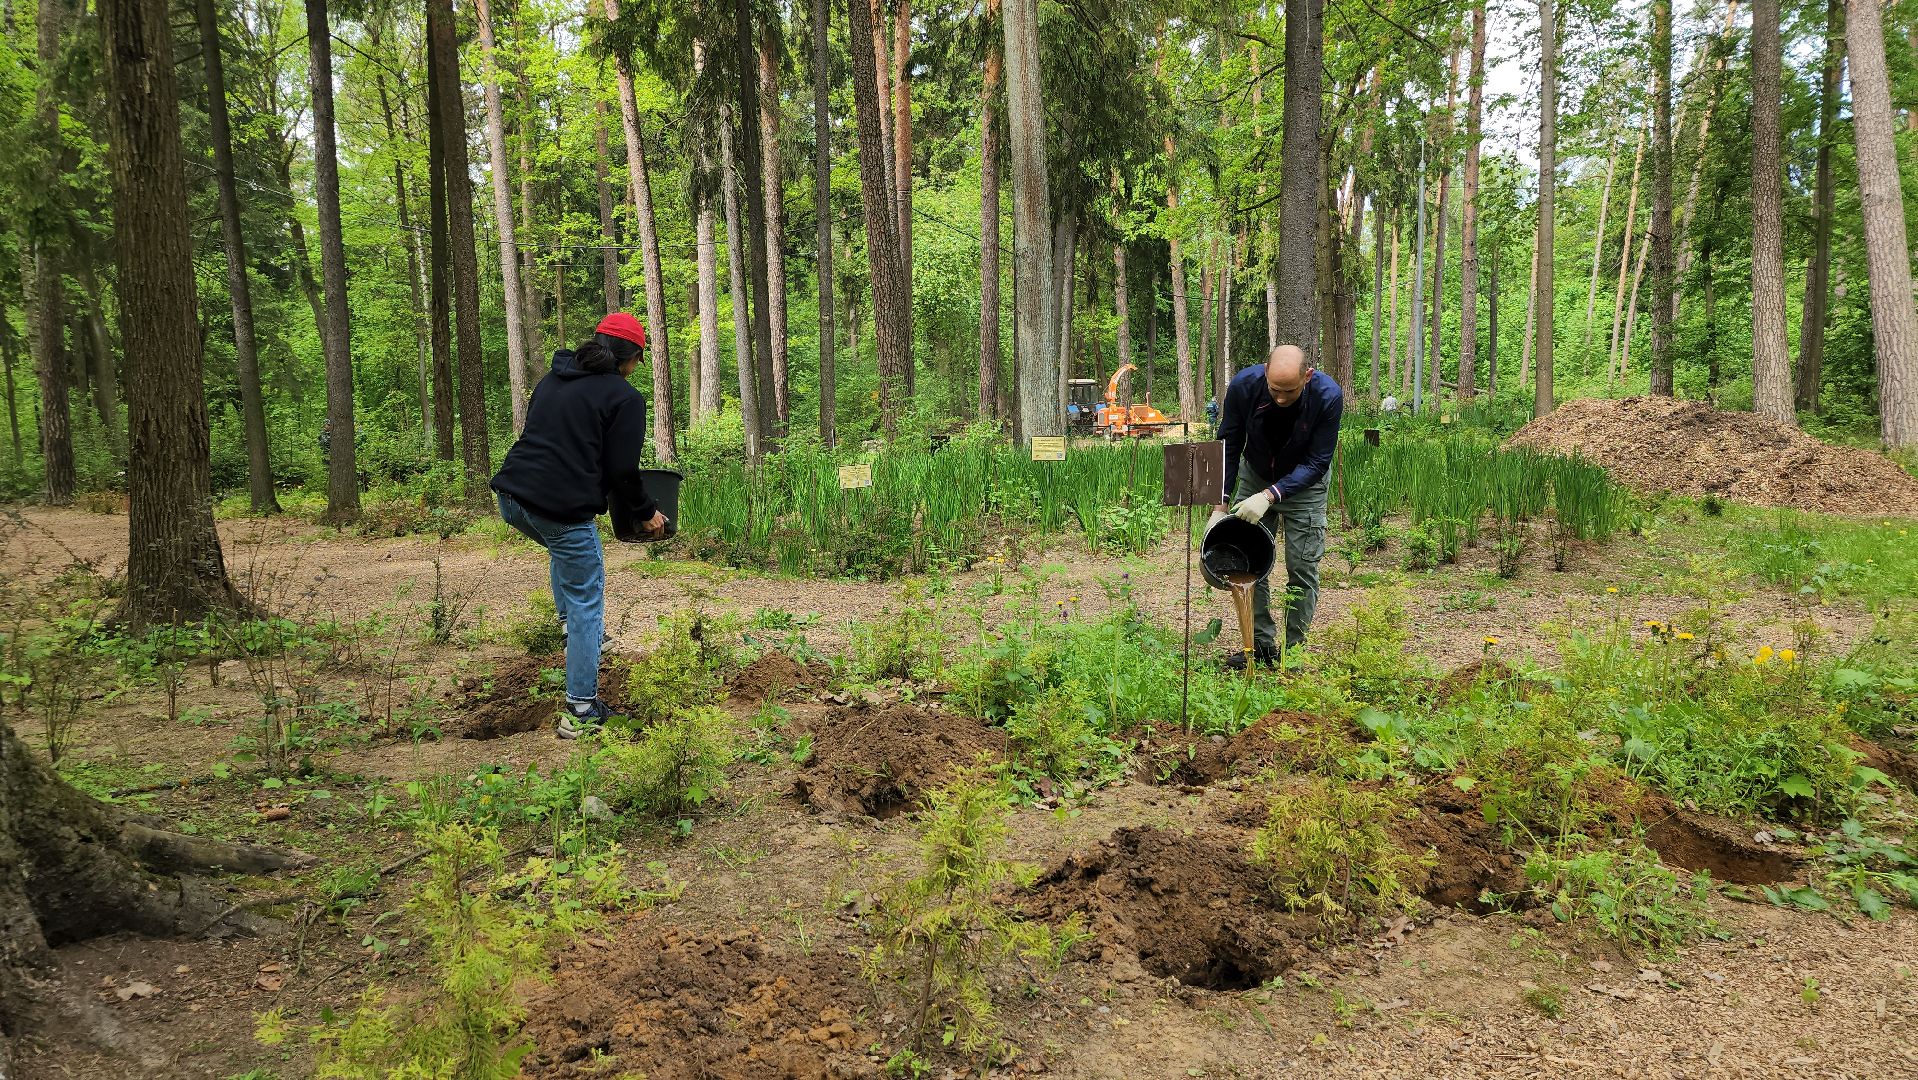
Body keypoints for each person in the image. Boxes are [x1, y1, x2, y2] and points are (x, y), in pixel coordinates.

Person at [490, 313, 667, 738]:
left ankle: (571, 626)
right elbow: (623, 471)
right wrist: (646, 512)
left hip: (512, 498)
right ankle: (581, 710)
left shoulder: (554, 379)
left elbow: (556, 441)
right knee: (588, 596)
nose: (636, 369)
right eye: (639, 361)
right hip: (560, 509)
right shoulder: (623, 397)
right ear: (632, 357)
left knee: (563, 555)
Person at [1211, 344, 1344, 667]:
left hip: (1305, 487)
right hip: (1256, 475)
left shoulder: (1328, 396)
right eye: (1275, 389)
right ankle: (1259, 645)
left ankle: (1294, 652)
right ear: (1264, 372)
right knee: (1249, 562)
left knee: (1303, 566)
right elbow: (1228, 442)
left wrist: (1271, 496)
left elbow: (1317, 462)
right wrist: (1220, 505)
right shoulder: (1244, 387)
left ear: (1307, 377)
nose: (1281, 398)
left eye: (1290, 390)